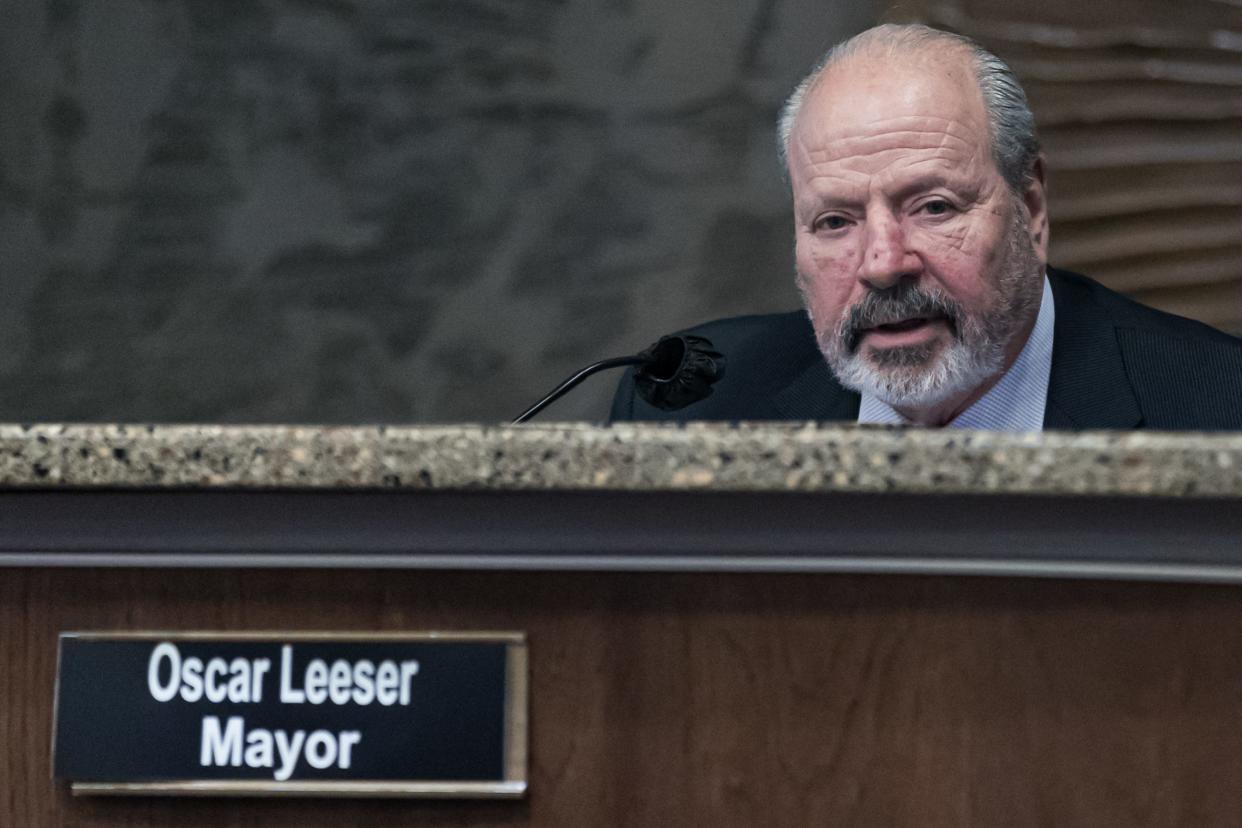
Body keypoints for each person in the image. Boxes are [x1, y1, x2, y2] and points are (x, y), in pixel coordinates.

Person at [612, 24, 1242, 430]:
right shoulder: (687, 408)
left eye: (933, 207)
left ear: (1031, 209)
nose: (883, 264)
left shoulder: (1218, 410)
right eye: (835, 221)